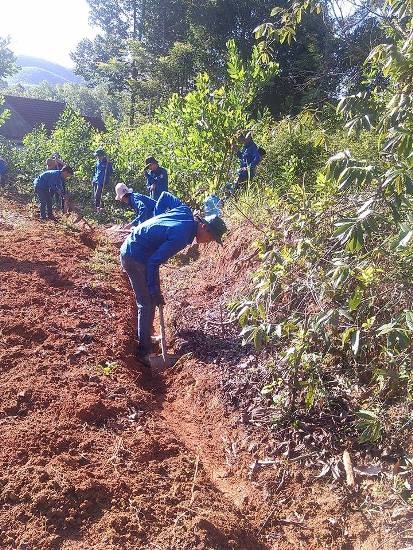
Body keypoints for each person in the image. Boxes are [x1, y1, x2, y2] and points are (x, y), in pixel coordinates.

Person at [120, 192, 227, 368]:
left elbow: (163, 196)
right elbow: (154, 261)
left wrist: (157, 220)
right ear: (204, 228)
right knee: (146, 302)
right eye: (212, 238)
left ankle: (145, 336)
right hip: (134, 256)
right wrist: (155, 290)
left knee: (151, 300)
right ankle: (143, 352)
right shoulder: (181, 237)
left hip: (139, 250)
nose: (208, 242)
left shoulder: (185, 211)